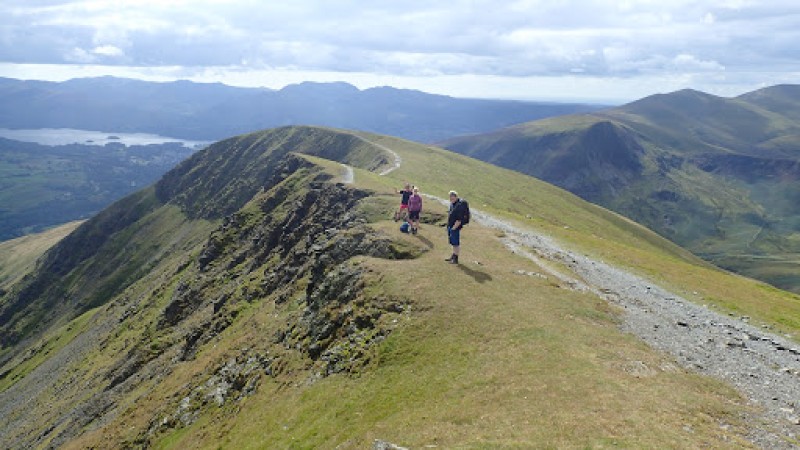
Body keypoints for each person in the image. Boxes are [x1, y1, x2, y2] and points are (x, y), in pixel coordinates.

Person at [445, 190, 468, 264]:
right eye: (450, 197)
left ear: (455, 196)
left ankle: (455, 258)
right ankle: (453, 256)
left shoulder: (459, 206)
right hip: (451, 225)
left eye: (452, 196)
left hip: (455, 227)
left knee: (455, 243)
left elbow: (459, 219)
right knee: (452, 242)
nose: (451, 198)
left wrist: (454, 228)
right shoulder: (453, 204)